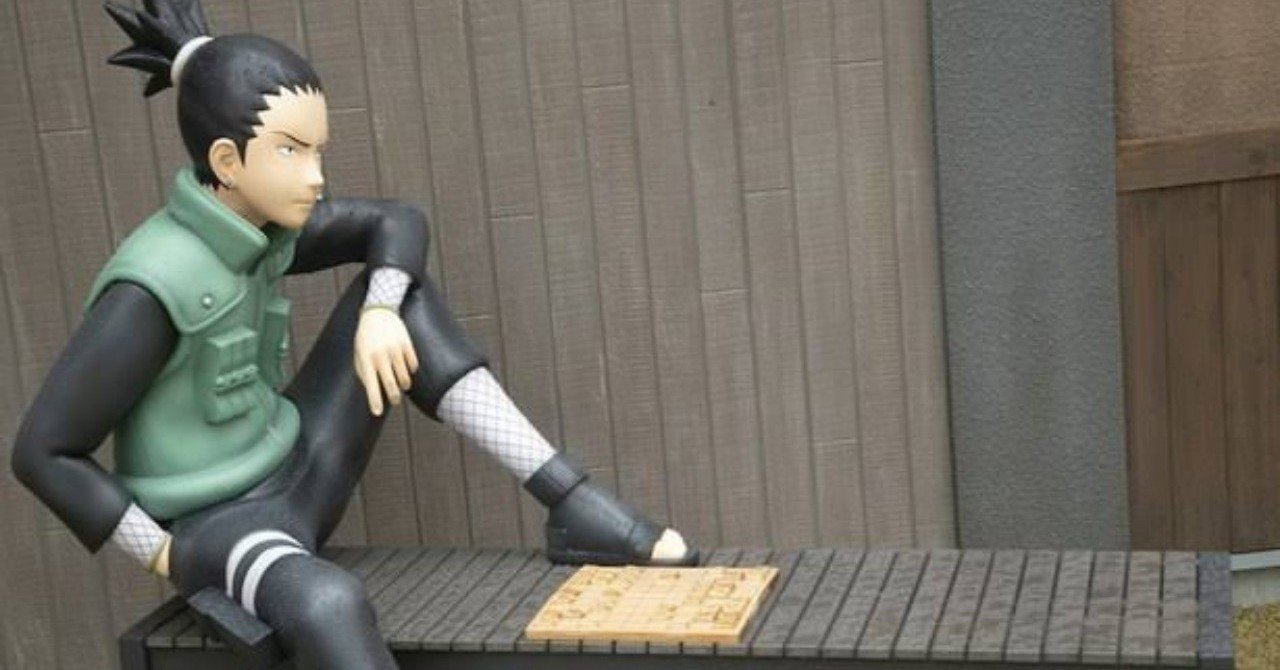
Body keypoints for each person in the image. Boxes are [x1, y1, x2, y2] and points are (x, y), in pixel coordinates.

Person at [9, 1, 696, 667]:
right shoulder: (154, 285)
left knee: (398, 292)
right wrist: (165, 555)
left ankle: (570, 501)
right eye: (291, 151)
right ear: (227, 162)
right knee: (329, 604)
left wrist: (379, 313)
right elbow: (44, 452)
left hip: (304, 463)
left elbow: (396, 221)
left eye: (317, 151)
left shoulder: (262, 229)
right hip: (225, 529)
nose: (315, 177)